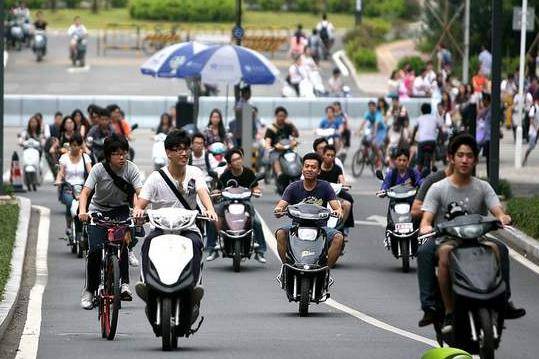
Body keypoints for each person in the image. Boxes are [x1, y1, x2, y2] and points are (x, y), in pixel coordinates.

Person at [420, 134, 525, 333]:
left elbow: (498, 211)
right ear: (451, 158)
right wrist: (426, 227)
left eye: (469, 155)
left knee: (499, 248)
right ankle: (442, 309)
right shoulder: (438, 188)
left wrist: (503, 218)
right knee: (437, 253)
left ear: (475, 159)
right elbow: (426, 219)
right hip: (448, 240)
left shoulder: (482, 187)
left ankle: (504, 300)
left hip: (477, 238)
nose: (465, 160)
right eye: (460, 155)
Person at [132, 130, 217, 321]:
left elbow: (203, 192)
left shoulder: (195, 173)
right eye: (178, 149)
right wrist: (138, 211)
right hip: (161, 230)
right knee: (148, 244)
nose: (184, 153)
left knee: (196, 244)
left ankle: (194, 286)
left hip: (188, 229)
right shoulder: (156, 177)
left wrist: (210, 209)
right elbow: (141, 202)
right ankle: (146, 283)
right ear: (168, 152)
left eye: (185, 149)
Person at [78, 135, 144, 309]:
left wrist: (138, 209)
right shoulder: (98, 169)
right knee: (95, 251)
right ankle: (90, 290)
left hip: (121, 211)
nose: (122, 157)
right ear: (108, 156)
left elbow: (140, 193)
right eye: (117, 154)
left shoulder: (132, 169)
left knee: (123, 245)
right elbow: (85, 192)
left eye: (124, 153)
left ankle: (124, 284)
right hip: (97, 210)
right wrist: (83, 211)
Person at [273, 153, 343, 268]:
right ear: (302, 169)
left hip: (321, 229)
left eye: (313, 167)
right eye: (306, 166)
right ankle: (286, 265)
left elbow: (337, 207)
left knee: (338, 238)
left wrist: (338, 211)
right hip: (296, 228)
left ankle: (326, 269)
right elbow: (280, 206)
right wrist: (279, 210)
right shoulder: (293, 187)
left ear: (319, 171)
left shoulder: (325, 187)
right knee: (280, 233)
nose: (309, 169)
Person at [206, 149, 266, 263]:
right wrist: (215, 192)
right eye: (234, 160)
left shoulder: (249, 173)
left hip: (245, 203)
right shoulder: (225, 175)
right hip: (226, 203)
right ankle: (211, 249)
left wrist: (257, 191)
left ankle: (260, 251)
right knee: (212, 219)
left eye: (239, 158)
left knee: (257, 222)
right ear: (229, 164)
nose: (238, 161)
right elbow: (219, 188)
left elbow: (255, 187)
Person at [55, 134, 92, 238]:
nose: (75, 147)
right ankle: (68, 225)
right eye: (73, 145)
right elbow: (61, 172)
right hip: (68, 187)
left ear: (81, 146)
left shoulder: (86, 157)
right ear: (69, 145)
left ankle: (85, 227)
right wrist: (58, 180)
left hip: (83, 187)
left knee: (86, 205)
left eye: (77, 145)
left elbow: (91, 172)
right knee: (70, 203)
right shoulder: (64, 158)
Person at [318, 145, 354, 240]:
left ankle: (342, 228)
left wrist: (344, 185)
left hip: (334, 194)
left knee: (348, 202)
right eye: (328, 155)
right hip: (319, 195)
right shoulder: (317, 168)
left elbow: (342, 179)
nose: (330, 157)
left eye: (332, 155)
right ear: (323, 155)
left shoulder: (337, 168)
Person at [264, 106, 299, 186]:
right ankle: (280, 174)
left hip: (287, 149)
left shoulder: (288, 126)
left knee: (296, 156)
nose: (281, 118)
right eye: (280, 116)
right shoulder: (271, 128)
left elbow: (296, 135)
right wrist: (269, 147)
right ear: (276, 116)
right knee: (276, 158)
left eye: (283, 116)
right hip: (276, 150)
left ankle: (299, 172)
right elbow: (267, 141)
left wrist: (292, 125)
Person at [412, 103, 443, 174]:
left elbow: (414, 130)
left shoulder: (419, 118)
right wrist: (441, 139)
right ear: (430, 110)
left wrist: (412, 139)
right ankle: (433, 164)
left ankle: (419, 168)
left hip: (422, 142)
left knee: (419, 159)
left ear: (421, 111)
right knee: (433, 151)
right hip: (432, 141)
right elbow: (440, 129)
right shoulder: (434, 118)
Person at [358, 101, 386, 169]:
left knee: (374, 144)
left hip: (380, 130)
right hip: (372, 128)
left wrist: (374, 134)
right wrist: (358, 131)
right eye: (369, 107)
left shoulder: (378, 114)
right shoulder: (368, 113)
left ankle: (380, 158)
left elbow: (376, 124)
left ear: (375, 107)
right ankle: (366, 154)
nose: (371, 108)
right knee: (365, 140)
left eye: (372, 107)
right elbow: (363, 122)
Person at [523, 97, 539, 166]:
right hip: (533, 131)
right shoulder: (534, 108)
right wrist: (536, 128)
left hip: (537, 129)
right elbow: (531, 119)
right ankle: (525, 159)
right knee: (531, 146)